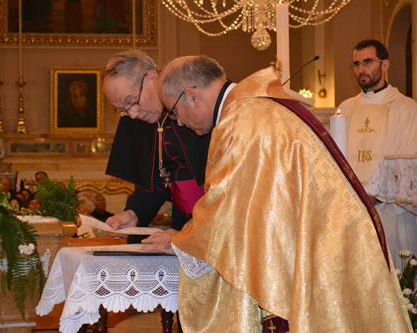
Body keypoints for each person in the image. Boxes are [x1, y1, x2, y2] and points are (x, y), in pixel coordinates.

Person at [149, 56, 412, 332]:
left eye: (174, 112)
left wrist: (182, 241)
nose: (177, 122)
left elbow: (226, 209)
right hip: (327, 242)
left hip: (321, 251)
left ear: (191, 96)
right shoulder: (255, 108)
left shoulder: (241, 121)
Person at [103, 50, 212, 242]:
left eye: (132, 102)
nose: (133, 115)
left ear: (152, 78)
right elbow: (156, 180)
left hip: (216, 222)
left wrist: (194, 229)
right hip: (181, 226)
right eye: (123, 110)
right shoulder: (139, 120)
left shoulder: (198, 105)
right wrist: (134, 213)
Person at [338, 39, 417, 268]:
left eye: (368, 62)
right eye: (356, 64)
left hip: (391, 213)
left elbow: (407, 163)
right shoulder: (346, 109)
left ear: (385, 65)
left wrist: (372, 195)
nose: (361, 69)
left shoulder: (406, 108)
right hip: (352, 210)